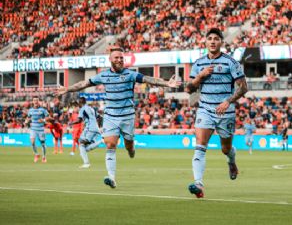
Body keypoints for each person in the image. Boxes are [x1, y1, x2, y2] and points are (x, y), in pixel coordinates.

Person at [57, 47, 181, 188]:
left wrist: (166, 83)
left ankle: (131, 149)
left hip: (127, 116)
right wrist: (67, 89)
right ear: (110, 59)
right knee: (110, 145)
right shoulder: (103, 75)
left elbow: (148, 79)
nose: (119, 60)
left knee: (129, 145)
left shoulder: (130, 74)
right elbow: (83, 84)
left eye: (121, 57)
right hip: (111, 115)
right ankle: (111, 178)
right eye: (116, 57)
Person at [185, 28, 248, 198]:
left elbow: (244, 87)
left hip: (225, 111)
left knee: (225, 148)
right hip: (205, 109)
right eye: (210, 38)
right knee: (200, 145)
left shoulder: (231, 62)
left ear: (221, 42)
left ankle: (231, 161)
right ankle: (198, 184)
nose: (212, 41)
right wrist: (200, 77)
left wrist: (228, 101)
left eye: (216, 39)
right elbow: (189, 89)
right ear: (205, 42)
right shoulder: (198, 63)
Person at [69, 97, 102, 168]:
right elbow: (99, 117)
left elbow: (79, 120)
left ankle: (86, 163)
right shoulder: (91, 108)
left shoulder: (82, 109)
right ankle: (100, 142)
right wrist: (98, 126)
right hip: (95, 129)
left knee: (81, 143)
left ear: (80, 103)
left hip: (89, 128)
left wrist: (71, 123)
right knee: (84, 148)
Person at [27, 97, 50, 163]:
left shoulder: (42, 110)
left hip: (41, 129)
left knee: (42, 144)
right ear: (33, 101)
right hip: (33, 129)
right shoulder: (30, 110)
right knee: (32, 142)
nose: (36, 101)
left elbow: (48, 117)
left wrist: (43, 120)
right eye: (34, 100)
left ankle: (44, 157)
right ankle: (36, 154)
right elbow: (28, 117)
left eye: (37, 100)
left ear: (38, 101)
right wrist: (26, 121)